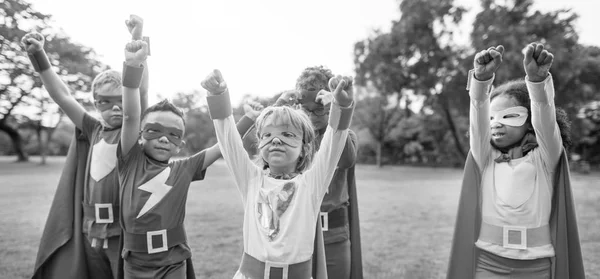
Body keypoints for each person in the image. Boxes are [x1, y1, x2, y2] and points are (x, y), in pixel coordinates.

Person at [116, 42, 256, 279]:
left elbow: (223, 145)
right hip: (135, 264)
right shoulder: (130, 161)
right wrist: (132, 65)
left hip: (173, 262)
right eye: (154, 131)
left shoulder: (184, 168)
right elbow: (131, 115)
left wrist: (248, 119)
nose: (163, 139)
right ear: (140, 135)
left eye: (172, 135)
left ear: (180, 143)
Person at [25, 15, 150, 279]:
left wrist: (136, 41)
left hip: (124, 231)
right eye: (105, 102)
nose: (115, 107)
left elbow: (138, 93)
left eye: (120, 100)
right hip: (90, 229)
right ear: (95, 104)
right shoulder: (93, 130)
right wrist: (39, 56)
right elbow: (63, 96)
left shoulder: (132, 132)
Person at [447, 43, 585, 279]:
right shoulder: (485, 156)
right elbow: (478, 114)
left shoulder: (545, 158)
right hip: (488, 263)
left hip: (536, 266)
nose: (496, 123)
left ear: (529, 121)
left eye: (509, 116)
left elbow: (544, 115)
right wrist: (481, 82)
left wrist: (538, 83)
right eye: (492, 118)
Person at [202, 69, 355, 279]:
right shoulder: (251, 180)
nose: (275, 140)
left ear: (304, 147)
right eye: (267, 135)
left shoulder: (311, 184)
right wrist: (218, 95)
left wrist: (341, 106)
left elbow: (335, 140)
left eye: (287, 134)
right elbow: (229, 142)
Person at [276, 66, 363, 279]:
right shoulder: (292, 136)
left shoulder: (344, 133)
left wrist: (337, 108)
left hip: (333, 235)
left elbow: (346, 160)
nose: (310, 116)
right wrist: (279, 107)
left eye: (317, 109)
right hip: (297, 233)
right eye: (304, 109)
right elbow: (259, 147)